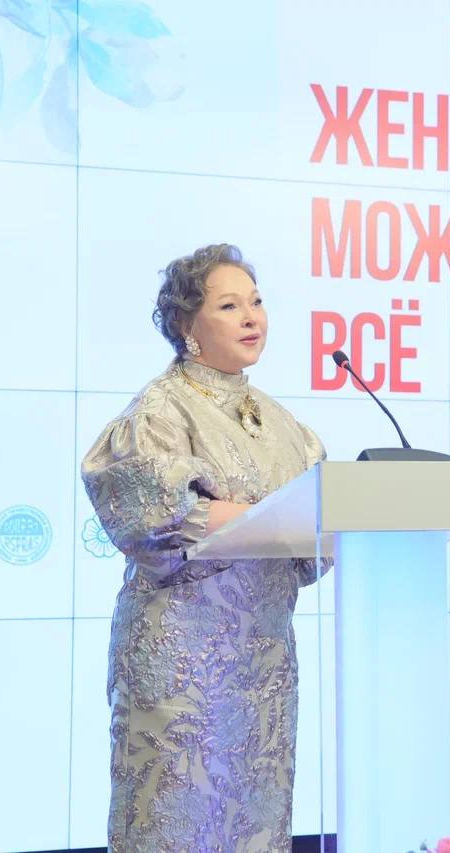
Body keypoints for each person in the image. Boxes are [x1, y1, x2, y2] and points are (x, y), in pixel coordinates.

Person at [81, 244, 329, 852]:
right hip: (183, 663)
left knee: (255, 822)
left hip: (264, 663)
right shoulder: (160, 410)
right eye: (229, 305)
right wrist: (273, 516)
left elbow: (313, 542)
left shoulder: (283, 423)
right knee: (180, 821)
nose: (252, 317)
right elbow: (153, 515)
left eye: (257, 302)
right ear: (186, 323)